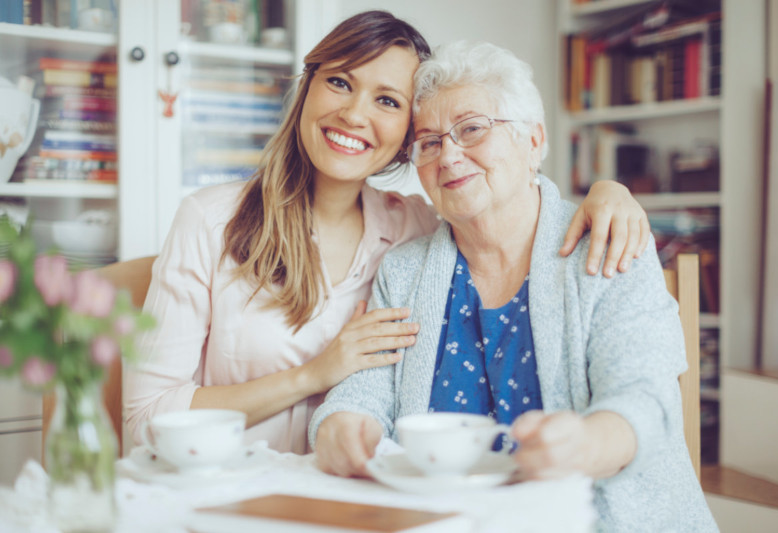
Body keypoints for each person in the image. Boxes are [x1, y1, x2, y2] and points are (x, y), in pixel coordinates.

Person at [124, 11, 649, 455]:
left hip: (356, 503)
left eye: (388, 101)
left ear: (406, 138)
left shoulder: (417, 232)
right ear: (308, 87)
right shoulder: (209, 220)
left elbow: (502, 197)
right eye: (340, 82)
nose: (353, 114)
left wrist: (608, 191)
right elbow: (144, 418)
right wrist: (314, 374)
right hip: (231, 491)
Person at [310, 41, 717, 532]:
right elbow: (362, 394)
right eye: (431, 141)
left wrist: (586, 444)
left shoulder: (608, 242)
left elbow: (645, 399)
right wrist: (338, 428)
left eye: (473, 129)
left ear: (533, 141)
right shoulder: (404, 270)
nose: (449, 155)